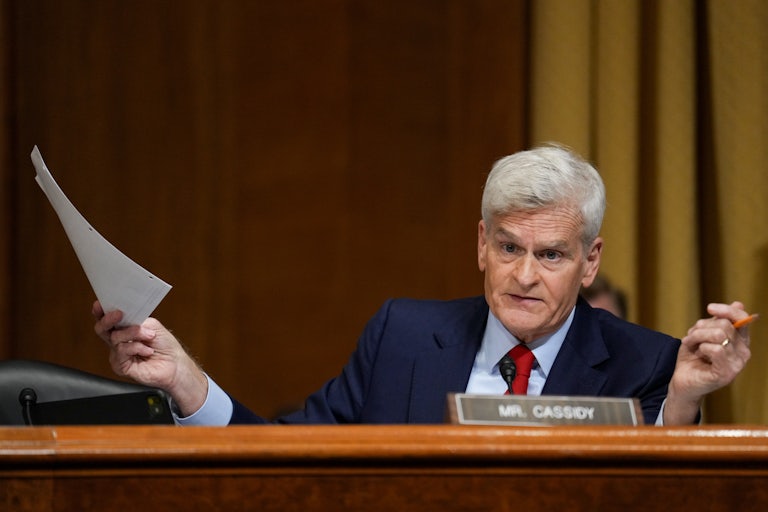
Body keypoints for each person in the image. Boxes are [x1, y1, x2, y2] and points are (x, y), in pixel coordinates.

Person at [94, 144, 753, 426]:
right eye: (508, 248)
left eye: (551, 255)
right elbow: (286, 459)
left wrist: (682, 403)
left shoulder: (646, 362)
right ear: (480, 244)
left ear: (589, 261)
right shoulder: (402, 336)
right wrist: (186, 382)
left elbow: (660, 492)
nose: (524, 275)